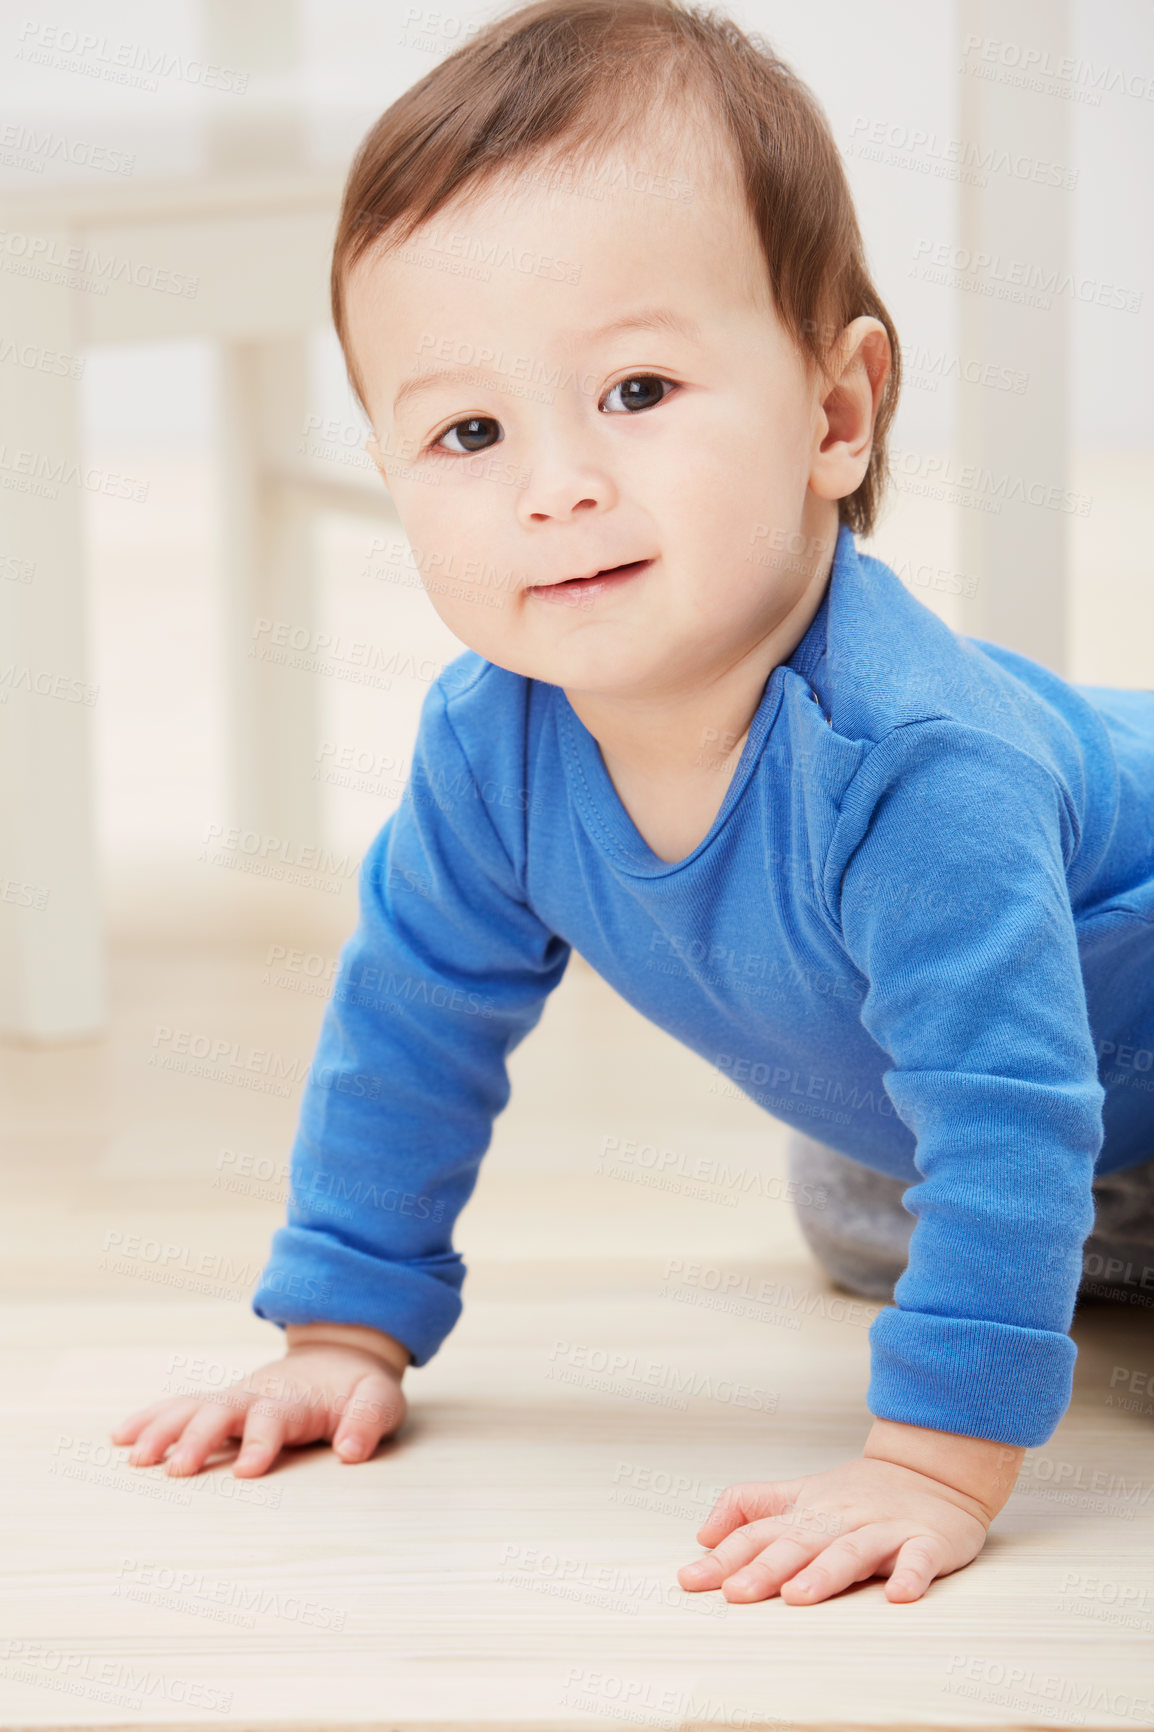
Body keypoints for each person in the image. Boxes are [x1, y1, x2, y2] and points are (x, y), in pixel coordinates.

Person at [112, 0, 1154, 1608]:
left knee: (987, 1167)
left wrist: (931, 1460)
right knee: (867, 1211)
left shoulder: (915, 768)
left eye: (639, 390)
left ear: (833, 412)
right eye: (467, 429)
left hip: (1071, 1066)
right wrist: (343, 1324)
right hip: (979, 1099)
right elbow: (410, 1022)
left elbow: (1011, 1113)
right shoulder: (490, 745)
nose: (555, 486)